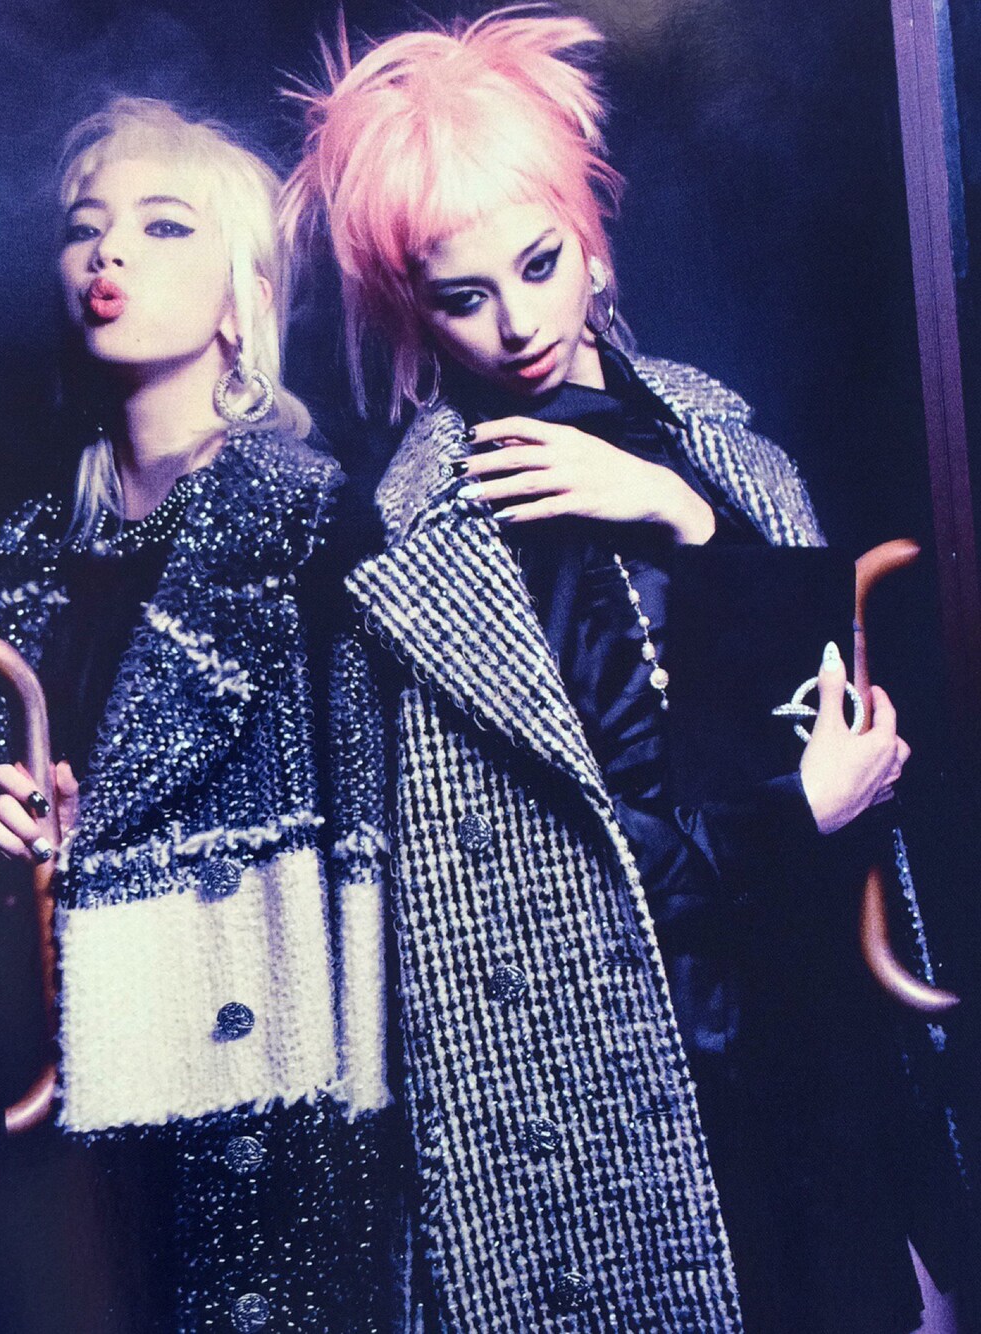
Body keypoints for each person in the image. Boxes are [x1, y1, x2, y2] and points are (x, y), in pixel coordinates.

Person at [283, 10, 968, 1332]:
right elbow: (553, 894)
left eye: (539, 262)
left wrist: (681, 514)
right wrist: (793, 813)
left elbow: (828, 749)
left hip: (813, 1053)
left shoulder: (729, 457)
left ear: (589, 230)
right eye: (461, 294)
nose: (516, 323)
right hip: (615, 1113)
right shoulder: (409, 554)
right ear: (412, 306)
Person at [0, 97, 398, 1333]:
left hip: (256, 1088)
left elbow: (382, 825)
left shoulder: (316, 522)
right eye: (85, 227)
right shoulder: (23, 552)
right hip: (58, 1085)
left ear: (239, 300)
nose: (107, 251)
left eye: (163, 226)